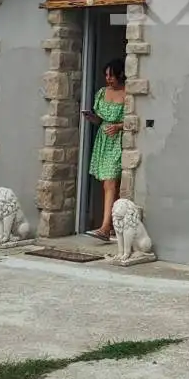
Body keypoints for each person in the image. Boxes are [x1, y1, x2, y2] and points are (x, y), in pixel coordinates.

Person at [82, 58, 126, 241]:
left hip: (118, 141)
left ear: (120, 75)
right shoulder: (101, 93)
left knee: (110, 182)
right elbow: (100, 119)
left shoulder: (127, 93)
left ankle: (105, 227)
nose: (108, 79)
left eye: (111, 76)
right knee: (108, 183)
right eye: (106, 75)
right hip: (103, 139)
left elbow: (133, 119)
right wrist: (92, 118)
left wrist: (118, 127)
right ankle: (113, 225)